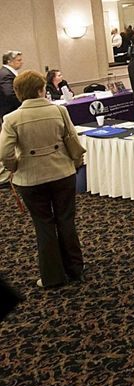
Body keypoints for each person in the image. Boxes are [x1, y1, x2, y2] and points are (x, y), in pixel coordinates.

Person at [0, 70, 86, 287]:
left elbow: (4, 153)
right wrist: (76, 162)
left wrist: (15, 167)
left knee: (43, 224)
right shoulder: (59, 111)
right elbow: (72, 139)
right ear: (41, 90)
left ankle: (52, 276)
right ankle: (76, 269)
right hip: (62, 173)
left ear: (19, 93)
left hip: (30, 178)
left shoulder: (11, 119)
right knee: (66, 220)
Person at [0, 51, 23, 121]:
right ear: (9, 62)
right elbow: (9, 94)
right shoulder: (6, 74)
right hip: (11, 111)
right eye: (19, 60)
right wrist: (25, 102)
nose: (22, 62)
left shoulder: (7, 72)